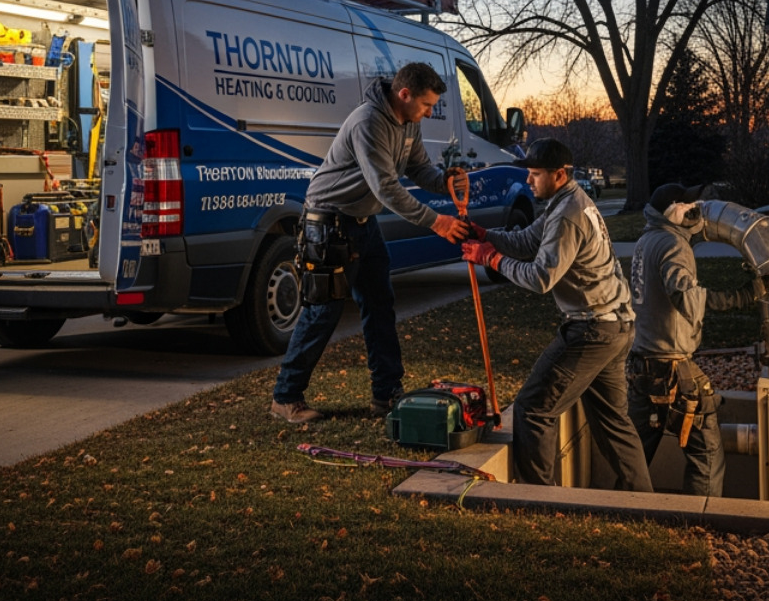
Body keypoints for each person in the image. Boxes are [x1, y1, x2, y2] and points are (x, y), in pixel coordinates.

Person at [270, 62, 470, 424]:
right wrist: (435, 222)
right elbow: (386, 187)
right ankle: (285, 398)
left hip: (363, 222)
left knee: (380, 304)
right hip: (329, 221)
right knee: (322, 311)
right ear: (404, 94)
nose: (428, 113)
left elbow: (417, 167)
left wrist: (444, 182)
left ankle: (386, 395)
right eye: (426, 105)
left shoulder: (409, 124)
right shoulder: (369, 122)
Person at [460, 138, 652, 491]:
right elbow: (528, 241)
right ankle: (645, 502)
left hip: (592, 329)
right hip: (616, 325)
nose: (529, 181)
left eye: (535, 174)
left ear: (559, 175)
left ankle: (538, 502)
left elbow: (541, 277)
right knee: (613, 422)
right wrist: (485, 235)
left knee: (533, 409)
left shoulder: (568, 215)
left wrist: (490, 259)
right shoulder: (566, 203)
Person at [626, 182, 752, 496]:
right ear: (674, 211)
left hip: (643, 364)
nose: (696, 210)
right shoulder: (672, 244)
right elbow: (685, 294)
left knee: (635, 455)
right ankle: (701, 521)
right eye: (689, 205)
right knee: (706, 454)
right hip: (672, 368)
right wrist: (742, 296)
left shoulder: (646, 240)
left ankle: (620, 511)